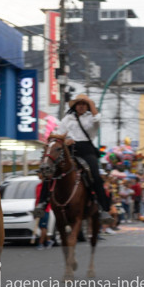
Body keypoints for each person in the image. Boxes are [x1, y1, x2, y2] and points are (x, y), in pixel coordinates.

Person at [37, 93, 111, 224]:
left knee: (95, 176)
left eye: (84, 104)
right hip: (68, 150)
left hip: (86, 150)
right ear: (75, 106)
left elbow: (97, 120)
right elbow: (59, 134)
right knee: (51, 172)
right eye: (79, 104)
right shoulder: (67, 118)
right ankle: (42, 203)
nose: (81, 106)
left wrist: (91, 103)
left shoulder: (91, 118)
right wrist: (65, 141)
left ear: (87, 106)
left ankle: (103, 209)